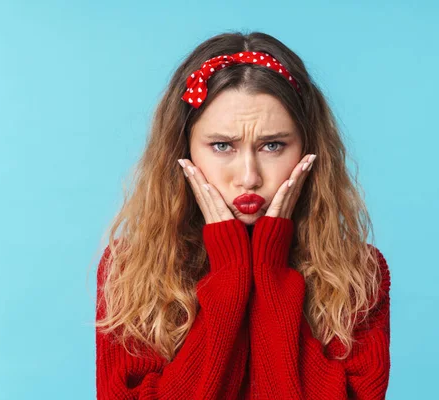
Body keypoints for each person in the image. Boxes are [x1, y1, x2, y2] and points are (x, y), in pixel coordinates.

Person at [94, 31, 391, 399]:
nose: (249, 176)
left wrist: (269, 273)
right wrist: (231, 274)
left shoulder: (359, 274)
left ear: (308, 150)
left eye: (273, 145)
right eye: (222, 146)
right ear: (183, 149)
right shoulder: (131, 269)